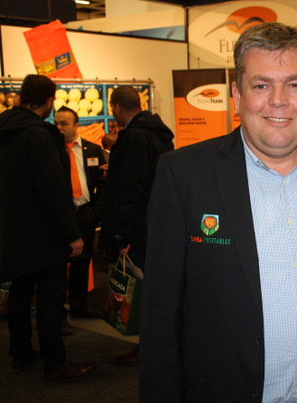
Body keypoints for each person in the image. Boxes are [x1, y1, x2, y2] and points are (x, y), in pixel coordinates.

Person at [139, 22, 297, 402]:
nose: (278, 101)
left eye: (294, 84)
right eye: (261, 85)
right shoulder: (185, 175)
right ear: (237, 94)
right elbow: (160, 314)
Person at [0, 74, 96, 382]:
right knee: (51, 297)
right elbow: (52, 190)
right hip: (43, 234)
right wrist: (72, 235)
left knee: (20, 291)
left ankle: (20, 352)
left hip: (12, 231)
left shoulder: (6, 130)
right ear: (49, 101)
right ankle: (56, 363)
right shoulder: (40, 135)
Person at [98, 85, 174, 365]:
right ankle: (160, 344)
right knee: (155, 290)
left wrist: (121, 234)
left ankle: (149, 348)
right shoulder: (159, 134)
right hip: (156, 223)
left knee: (141, 292)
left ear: (117, 108)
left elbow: (128, 189)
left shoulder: (134, 137)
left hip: (138, 229)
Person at [53, 106, 106, 319]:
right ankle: (57, 312)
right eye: (56, 123)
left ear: (76, 125)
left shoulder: (92, 150)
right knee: (57, 265)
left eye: (63, 123)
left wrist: (96, 211)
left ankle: (78, 306)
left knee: (82, 263)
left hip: (85, 213)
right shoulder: (50, 150)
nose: (59, 127)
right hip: (60, 215)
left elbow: (102, 181)